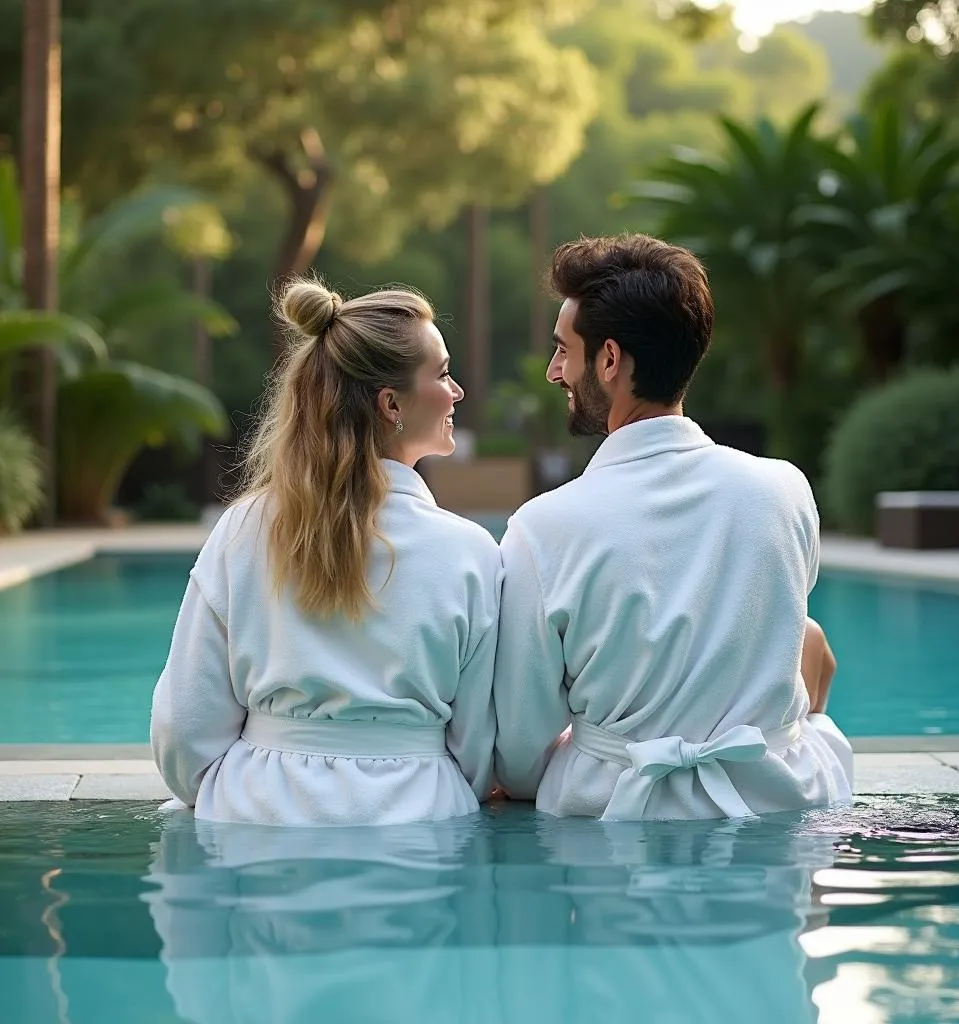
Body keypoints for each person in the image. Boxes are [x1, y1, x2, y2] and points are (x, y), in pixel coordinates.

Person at [493, 233, 853, 820]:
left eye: (564, 350)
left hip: (613, 817)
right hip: (773, 802)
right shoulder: (785, 490)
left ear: (609, 360)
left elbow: (519, 748)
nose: (555, 370)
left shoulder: (543, 527)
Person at [151, 278, 502, 826]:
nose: (456, 391)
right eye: (442, 374)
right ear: (392, 404)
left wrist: (226, 794)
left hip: (258, 813)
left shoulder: (243, 529)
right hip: (422, 820)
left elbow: (185, 727)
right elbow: (479, 745)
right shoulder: (470, 553)